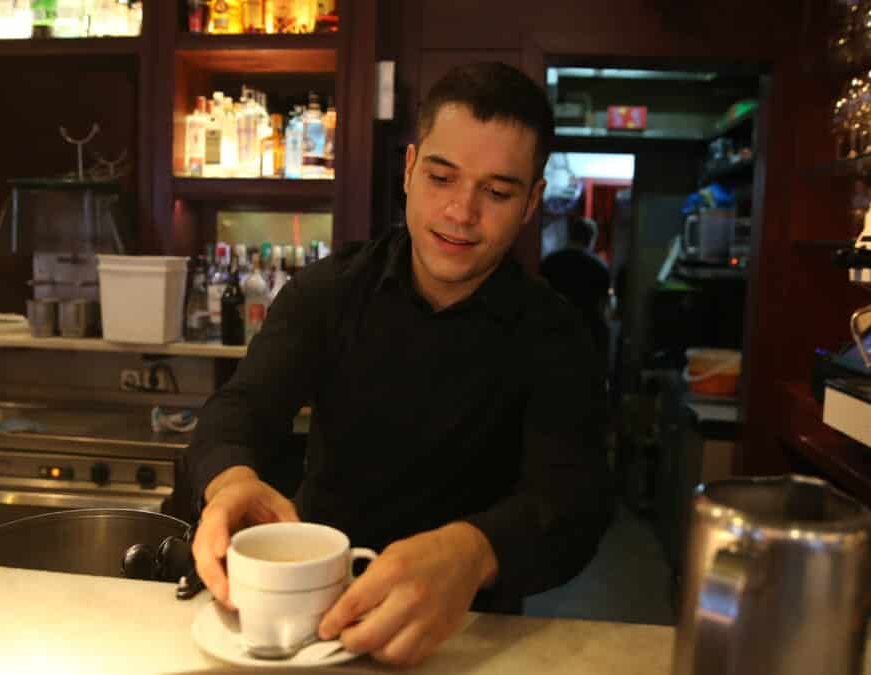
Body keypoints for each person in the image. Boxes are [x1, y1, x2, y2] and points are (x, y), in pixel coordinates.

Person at [184, 61, 612, 667]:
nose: (461, 212)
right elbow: (240, 408)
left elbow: (574, 499)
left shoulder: (557, 334)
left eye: (496, 191)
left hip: (466, 635)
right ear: (409, 170)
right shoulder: (328, 292)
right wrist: (230, 480)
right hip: (311, 617)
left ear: (530, 202)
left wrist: (474, 551)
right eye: (442, 177)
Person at [539, 216, 611, 363]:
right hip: (588, 332)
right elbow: (603, 306)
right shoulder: (599, 267)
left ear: (570, 235)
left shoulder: (550, 262)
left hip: (554, 330)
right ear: (592, 239)